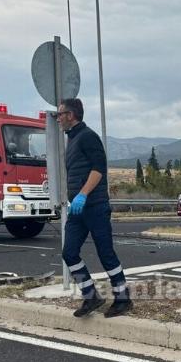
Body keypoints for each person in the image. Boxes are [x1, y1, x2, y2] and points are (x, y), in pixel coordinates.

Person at [57, 98, 132, 318]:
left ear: (71, 115)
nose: (58, 119)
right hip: (78, 210)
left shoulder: (88, 136)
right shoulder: (72, 139)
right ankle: (91, 296)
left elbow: (99, 168)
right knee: (69, 253)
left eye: (60, 114)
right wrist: (75, 200)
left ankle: (123, 299)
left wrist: (82, 194)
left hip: (95, 206)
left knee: (106, 253)